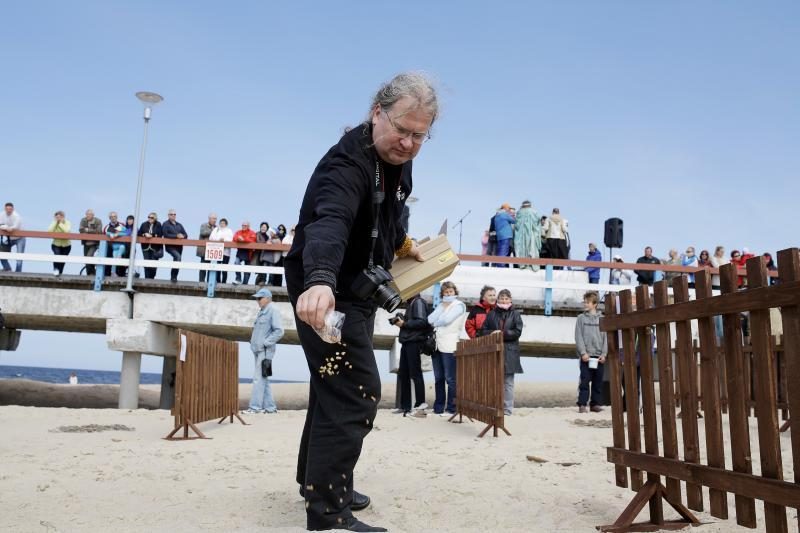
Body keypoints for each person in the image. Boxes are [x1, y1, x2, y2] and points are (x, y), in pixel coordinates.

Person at [284, 72, 433, 532]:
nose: (407, 144)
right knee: (356, 391)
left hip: (358, 290)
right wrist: (321, 280)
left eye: (419, 136)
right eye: (401, 130)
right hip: (324, 291)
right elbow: (329, 221)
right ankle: (327, 513)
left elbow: (388, 211)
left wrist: (400, 242)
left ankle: (322, 483)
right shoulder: (345, 166)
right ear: (376, 114)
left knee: (332, 386)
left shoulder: (396, 161)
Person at [479, 289, 523, 415]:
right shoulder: (491, 314)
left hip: (510, 352)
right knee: (494, 381)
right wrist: (492, 333)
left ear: (510, 300)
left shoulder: (515, 314)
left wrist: (502, 334)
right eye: (502, 298)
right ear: (497, 300)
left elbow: (517, 332)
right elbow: (482, 331)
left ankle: (507, 410)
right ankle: (494, 406)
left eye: (506, 298)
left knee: (508, 383)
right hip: (494, 351)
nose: (504, 301)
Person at [428, 281, 466, 416]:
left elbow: (446, 320)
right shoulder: (441, 305)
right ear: (442, 293)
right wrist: (441, 308)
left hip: (450, 344)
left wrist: (440, 314)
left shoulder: (459, 305)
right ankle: (438, 408)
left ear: (455, 292)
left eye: (451, 291)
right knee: (438, 378)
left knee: (450, 378)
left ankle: (451, 408)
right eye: (446, 292)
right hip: (437, 345)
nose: (449, 294)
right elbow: (429, 319)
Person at [244, 287, 284, 414]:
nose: (258, 301)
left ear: (267, 298)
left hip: (265, 351)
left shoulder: (273, 310)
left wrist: (266, 342)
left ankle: (254, 408)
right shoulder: (262, 310)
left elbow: (279, 331)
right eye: (257, 298)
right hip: (257, 350)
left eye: (260, 298)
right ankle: (270, 408)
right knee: (264, 378)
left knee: (258, 379)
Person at [392, 293, 430, 415]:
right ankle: (405, 406)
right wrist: (400, 319)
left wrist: (404, 324)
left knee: (415, 373)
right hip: (407, 342)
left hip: (414, 342)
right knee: (404, 374)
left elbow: (422, 322)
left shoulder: (418, 301)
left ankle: (420, 406)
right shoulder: (411, 302)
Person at [575, 291, 607, 413]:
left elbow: (606, 339)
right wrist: (583, 353)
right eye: (585, 301)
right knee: (584, 381)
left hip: (599, 356)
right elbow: (578, 337)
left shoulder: (603, 319)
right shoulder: (581, 319)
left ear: (595, 304)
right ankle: (582, 404)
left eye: (587, 302)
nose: (585, 304)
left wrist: (604, 354)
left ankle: (595, 404)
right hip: (586, 356)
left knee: (598, 382)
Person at [513, 200, 540, 271]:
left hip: (521, 235)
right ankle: (531, 264)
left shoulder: (519, 212)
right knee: (532, 248)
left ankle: (522, 264)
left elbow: (516, 225)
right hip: (531, 234)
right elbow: (537, 224)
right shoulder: (534, 212)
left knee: (522, 247)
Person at [161, 209, 187, 282]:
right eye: (171, 214)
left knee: (178, 260)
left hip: (179, 247)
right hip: (170, 246)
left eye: (174, 214)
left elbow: (186, 235)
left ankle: (174, 277)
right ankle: (173, 277)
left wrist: (182, 236)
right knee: (178, 257)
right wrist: (176, 236)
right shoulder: (165, 224)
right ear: (168, 215)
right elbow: (165, 234)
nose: (173, 216)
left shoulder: (179, 224)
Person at [0, 202, 25, 272]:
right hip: (9, 238)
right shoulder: (1, 215)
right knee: (1, 252)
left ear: (13, 209)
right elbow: (0, 224)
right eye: (7, 209)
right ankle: (7, 268)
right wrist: (6, 227)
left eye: (10, 209)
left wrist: (8, 228)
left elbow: (15, 226)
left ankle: (18, 272)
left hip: (20, 238)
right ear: (5, 209)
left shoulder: (16, 216)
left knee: (19, 256)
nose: (8, 210)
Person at [138, 212, 163, 279]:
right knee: (146, 263)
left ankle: (152, 278)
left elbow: (160, 234)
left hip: (155, 247)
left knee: (153, 264)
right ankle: (147, 278)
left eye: (151, 217)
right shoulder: (144, 224)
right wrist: (144, 234)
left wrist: (152, 235)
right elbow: (139, 233)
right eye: (148, 217)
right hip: (145, 247)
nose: (150, 219)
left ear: (155, 218)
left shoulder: (158, 224)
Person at [47, 211, 72, 276]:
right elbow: (49, 231)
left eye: (60, 217)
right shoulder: (54, 223)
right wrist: (55, 222)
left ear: (63, 217)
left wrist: (60, 223)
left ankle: (60, 273)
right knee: (57, 256)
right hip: (56, 244)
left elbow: (67, 231)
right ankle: (56, 271)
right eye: (57, 217)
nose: (59, 218)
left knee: (63, 260)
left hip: (66, 245)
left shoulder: (67, 222)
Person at [78, 209, 103, 276]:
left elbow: (99, 231)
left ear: (93, 215)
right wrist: (92, 231)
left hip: (94, 243)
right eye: (87, 214)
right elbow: (81, 230)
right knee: (86, 259)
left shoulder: (98, 221)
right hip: (86, 243)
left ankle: (92, 273)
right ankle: (90, 274)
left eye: (89, 214)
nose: (87, 216)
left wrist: (88, 230)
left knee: (89, 256)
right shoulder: (83, 220)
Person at [209, 218, 234, 284]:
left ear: (226, 224)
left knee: (224, 268)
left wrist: (224, 240)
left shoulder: (229, 230)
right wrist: (218, 240)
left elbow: (231, 239)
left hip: (226, 252)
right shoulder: (216, 229)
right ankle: (218, 281)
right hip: (218, 251)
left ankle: (224, 282)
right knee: (217, 267)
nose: (222, 224)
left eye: (223, 223)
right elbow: (211, 238)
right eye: (221, 223)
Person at [233, 221, 257, 285]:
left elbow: (252, 240)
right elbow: (234, 238)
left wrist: (243, 239)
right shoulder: (238, 232)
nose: (243, 226)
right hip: (240, 251)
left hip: (249, 252)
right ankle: (238, 279)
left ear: (248, 226)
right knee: (236, 263)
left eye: (245, 225)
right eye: (242, 225)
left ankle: (245, 283)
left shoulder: (252, 232)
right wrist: (238, 238)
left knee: (247, 269)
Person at [196, 213, 217, 283]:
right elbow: (203, 233)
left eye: (215, 219)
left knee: (211, 267)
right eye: (213, 218)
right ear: (209, 219)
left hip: (213, 250)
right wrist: (213, 231)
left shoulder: (217, 227)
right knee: (203, 266)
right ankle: (201, 281)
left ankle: (209, 281)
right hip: (204, 250)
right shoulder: (204, 225)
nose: (215, 220)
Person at [104, 212, 126, 277]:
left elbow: (127, 232)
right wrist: (110, 234)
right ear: (109, 218)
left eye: (115, 216)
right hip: (112, 247)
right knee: (114, 259)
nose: (113, 218)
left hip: (121, 246)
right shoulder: (107, 227)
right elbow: (105, 233)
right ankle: (113, 273)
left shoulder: (121, 225)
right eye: (111, 217)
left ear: (117, 217)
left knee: (120, 252)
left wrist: (117, 234)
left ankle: (120, 274)